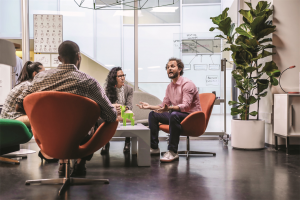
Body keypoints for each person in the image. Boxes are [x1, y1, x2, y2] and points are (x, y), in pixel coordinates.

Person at [15, 40, 117, 176]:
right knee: (94, 122)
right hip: (79, 139)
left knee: (58, 124)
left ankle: (63, 164)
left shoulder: (40, 78)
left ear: (59, 58)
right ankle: (80, 162)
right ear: (78, 57)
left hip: (48, 138)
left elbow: (19, 106)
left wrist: (42, 115)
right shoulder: (88, 82)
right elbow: (111, 115)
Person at [136, 58, 201, 163]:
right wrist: (149, 106)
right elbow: (163, 106)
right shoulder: (169, 87)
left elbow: (186, 106)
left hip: (191, 116)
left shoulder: (187, 84)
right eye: (167, 67)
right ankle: (154, 147)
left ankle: (172, 151)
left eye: (172, 66)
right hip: (176, 115)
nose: (169, 69)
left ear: (179, 69)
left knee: (173, 114)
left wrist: (170, 108)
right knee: (153, 115)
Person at [0, 61, 45, 127]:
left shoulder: (25, 84)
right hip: (11, 118)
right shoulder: (28, 86)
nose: (46, 75)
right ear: (35, 74)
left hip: (6, 117)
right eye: (43, 73)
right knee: (43, 118)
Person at [101, 67, 133, 154]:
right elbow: (104, 104)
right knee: (105, 116)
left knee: (130, 114)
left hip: (123, 112)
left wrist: (123, 109)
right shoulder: (107, 89)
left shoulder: (129, 89)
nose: (123, 78)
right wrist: (113, 107)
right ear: (114, 78)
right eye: (120, 76)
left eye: (123, 75)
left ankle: (127, 141)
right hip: (111, 112)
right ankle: (105, 143)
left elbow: (130, 105)